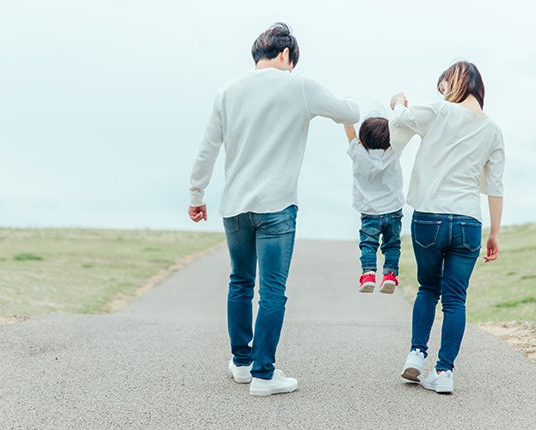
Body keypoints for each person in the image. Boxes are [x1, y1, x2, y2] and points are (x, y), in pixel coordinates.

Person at [188, 23, 359, 397]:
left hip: (234, 206)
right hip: (277, 206)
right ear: (286, 55)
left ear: (257, 55)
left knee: (240, 282)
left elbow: (207, 148)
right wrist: (344, 97)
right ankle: (264, 375)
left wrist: (196, 193)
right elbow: (350, 111)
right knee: (272, 291)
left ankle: (242, 363)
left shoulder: (228, 90)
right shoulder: (299, 85)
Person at [389, 61, 505, 394]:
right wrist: (495, 232)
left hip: (429, 215)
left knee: (428, 288)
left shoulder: (438, 111)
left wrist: (398, 100)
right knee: (456, 299)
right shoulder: (493, 129)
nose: (442, 92)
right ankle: (444, 372)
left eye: (443, 85)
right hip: (469, 220)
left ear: (453, 84)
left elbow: (399, 119)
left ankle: (416, 353)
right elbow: (495, 186)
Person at [343, 118, 404, 294]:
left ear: (363, 140)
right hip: (393, 211)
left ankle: (368, 274)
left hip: (369, 213)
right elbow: (402, 128)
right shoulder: (394, 151)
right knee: (392, 245)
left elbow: (349, 131)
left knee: (368, 244)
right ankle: (390, 275)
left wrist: (346, 113)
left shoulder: (357, 151)